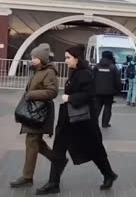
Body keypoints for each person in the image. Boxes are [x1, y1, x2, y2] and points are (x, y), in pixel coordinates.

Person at [35, 45, 117, 195]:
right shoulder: (75, 72)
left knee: (94, 149)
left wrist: (70, 98)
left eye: (68, 58)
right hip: (68, 121)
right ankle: (53, 183)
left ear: (76, 58)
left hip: (82, 121)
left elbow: (89, 94)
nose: (65, 61)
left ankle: (109, 174)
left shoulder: (84, 73)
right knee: (58, 150)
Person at [10, 44, 58, 188]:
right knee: (36, 143)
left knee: (32, 142)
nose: (32, 60)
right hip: (34, 113)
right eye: (32, 57)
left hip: (39, 114)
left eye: (35, 57)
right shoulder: (38, 70)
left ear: (42, 59)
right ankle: (58, 160)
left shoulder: (48, 72)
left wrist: (31, 94)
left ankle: (27, 177)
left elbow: (52, 92)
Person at [93, 51, 121, 128]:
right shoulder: (113, 67)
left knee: (97, 108)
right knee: (108, 108)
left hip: (97, 91)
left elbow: (92, 78)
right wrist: (118, 90)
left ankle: (94, 123)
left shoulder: (97, 66)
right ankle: (105, 123)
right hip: (109, 92)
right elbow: (117, 80)